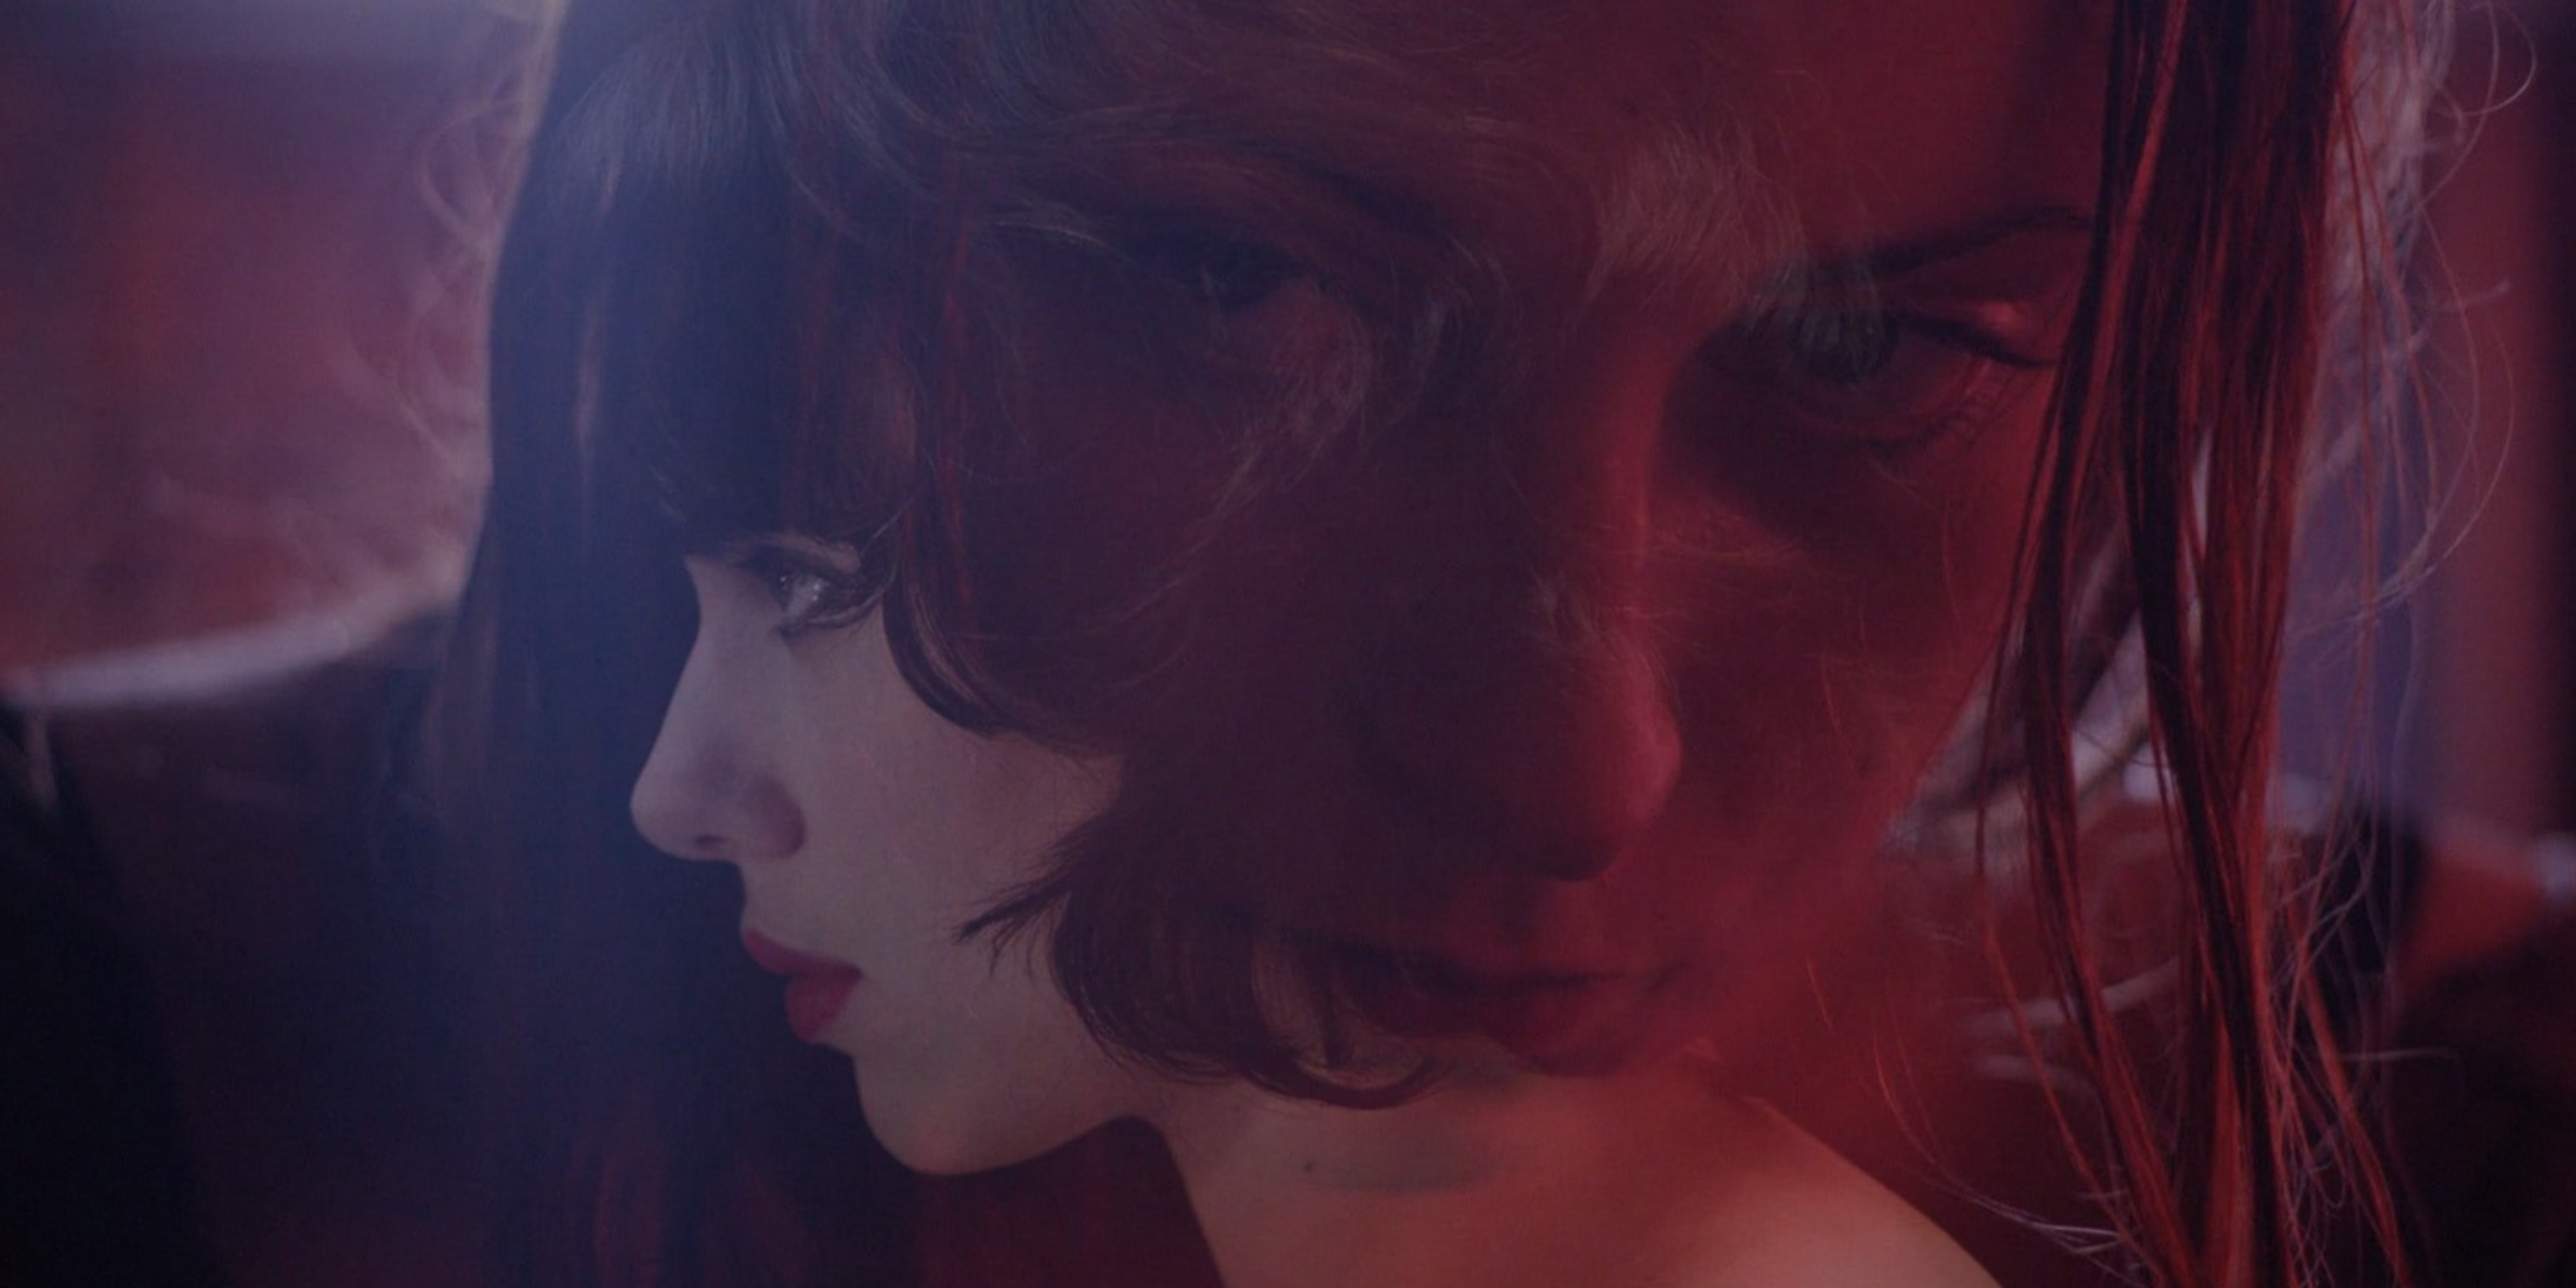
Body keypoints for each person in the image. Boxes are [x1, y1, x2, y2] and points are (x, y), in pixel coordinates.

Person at [431, 0, 2436, 1284]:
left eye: (1862, 349)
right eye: (1230, 280)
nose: (1572, 775)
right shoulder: (270, 1060)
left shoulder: (2478, 1132)